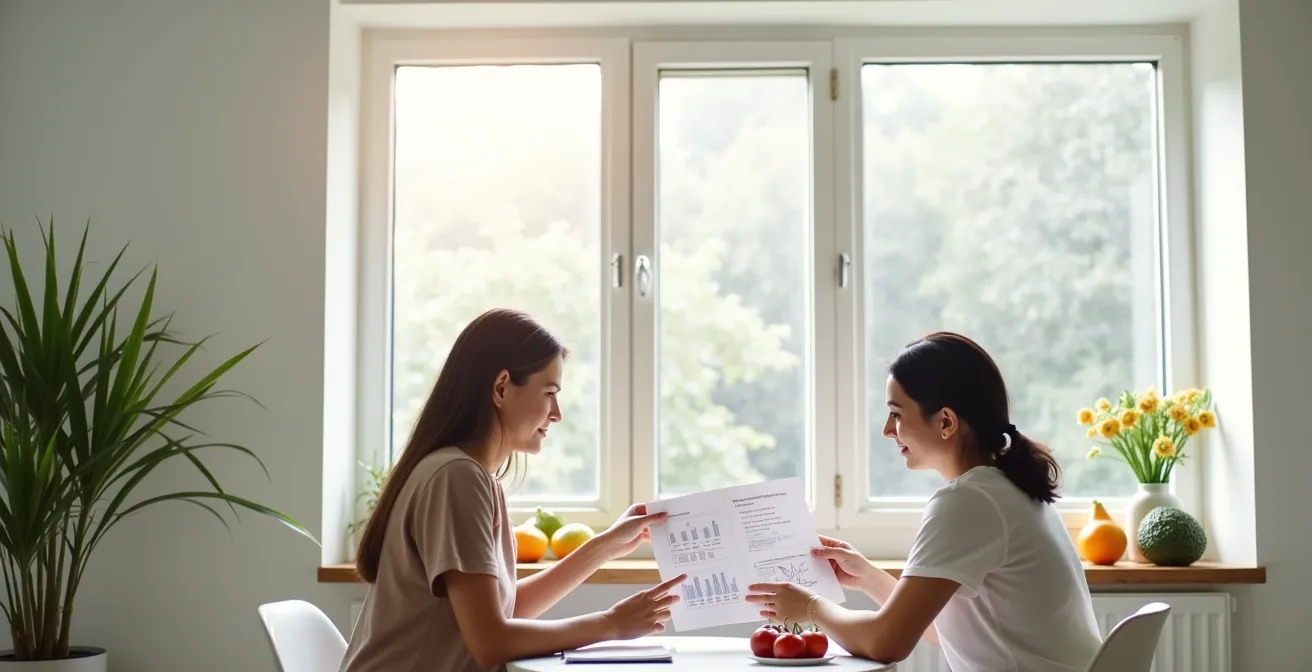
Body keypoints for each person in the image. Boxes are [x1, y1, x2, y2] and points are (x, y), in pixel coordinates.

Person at [340, 308, 686, 672]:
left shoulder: (470, 477)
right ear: (501, 387)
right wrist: (611, 624)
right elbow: (491, 643)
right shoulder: (456, 478)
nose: (557, 414)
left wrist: (605, 546)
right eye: (550, 393)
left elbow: (503, 614)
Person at [746, 332, 1102, 671]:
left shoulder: (968, 500)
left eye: (897, 414)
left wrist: (810, 607)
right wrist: (867, 576)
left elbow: (887, 643)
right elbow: (939, 629)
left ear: (946, 421)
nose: (887, 429)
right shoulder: (1006, 487)